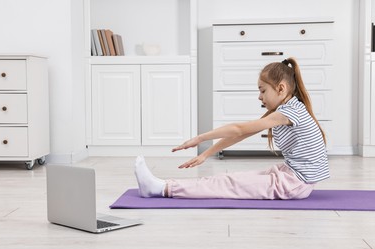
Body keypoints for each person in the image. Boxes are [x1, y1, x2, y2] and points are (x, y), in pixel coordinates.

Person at [134, 57, 329, 200]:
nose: (260, 97)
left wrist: (201, 138)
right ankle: (162, 186)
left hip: (294, 184)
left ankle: (160, 188)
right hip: (292, 175)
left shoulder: (288, 113)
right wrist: (206, 154)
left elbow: (237, 129)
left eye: (263, 90)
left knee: (228, 185)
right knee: (230, 178)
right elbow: (241, 134)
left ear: (281, 88)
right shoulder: (289, 108)